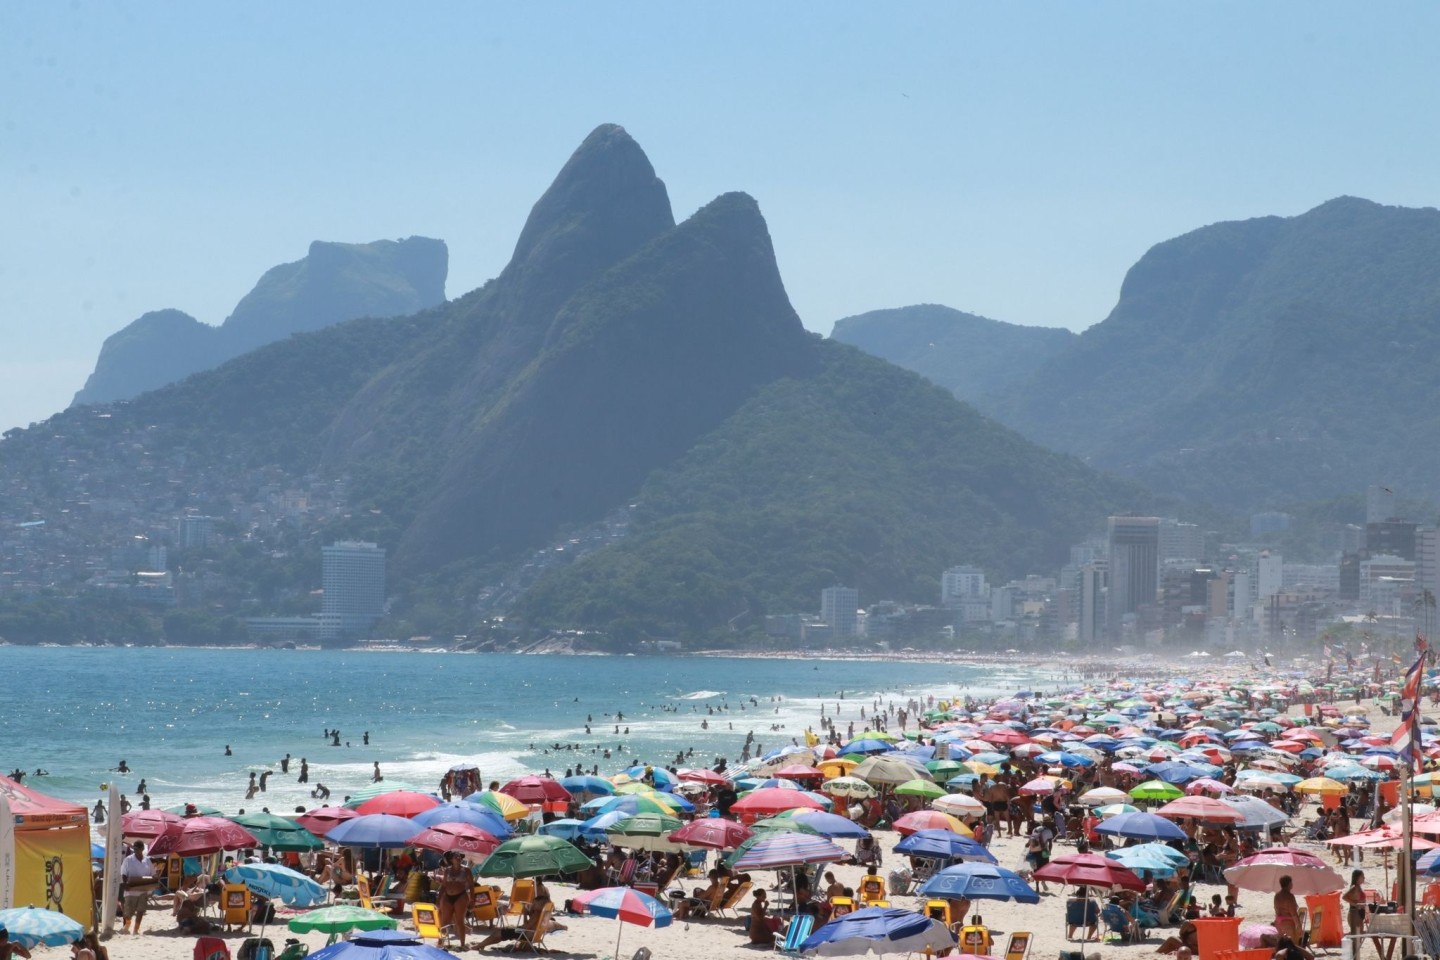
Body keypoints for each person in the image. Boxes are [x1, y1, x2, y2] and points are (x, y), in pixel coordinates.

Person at [432, 851, 472, 948]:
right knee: (444, 921)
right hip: (447, 896)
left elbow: (471, 886)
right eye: (456, 857)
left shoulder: (466, 870)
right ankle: (440, 942)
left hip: (461, 896)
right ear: (451, 860)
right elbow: (444, 885)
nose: (458, 858)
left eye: (459, 856)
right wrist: (438, 898)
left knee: (459, 921)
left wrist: (473, 900)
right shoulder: (447, 871)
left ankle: (462, 944)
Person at [120, 839, 156, 934]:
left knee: (141, 910)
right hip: (131, 890)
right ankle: (127, 925)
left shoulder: (147, 860)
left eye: (138, 849)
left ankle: (136, 929)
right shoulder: (128, 859)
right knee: (128, 912)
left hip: (143, 889)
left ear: (142, 849)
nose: (136, 851)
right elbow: (123, 873)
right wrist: (125, 884)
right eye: (134, 849)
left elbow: (153, 874)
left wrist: (152, 886)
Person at [1274, 875, 1300, 942]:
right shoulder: (1289, 896)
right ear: (1289, 884)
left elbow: (1276, 909)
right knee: (1291, 943)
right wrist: (1298, 925)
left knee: (1281, 943)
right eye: (1291, 883)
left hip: (1278, 920)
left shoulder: (1277, 895)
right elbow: (1293, 913)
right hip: (1288, 920)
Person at [1343, 869, 1367, 936]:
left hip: (1359, 913)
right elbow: (1344, 897)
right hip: (1355, 913)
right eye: (1362, 876)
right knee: (1357, 938)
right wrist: (1356, 904)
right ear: (1357, 877)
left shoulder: (1358, 887)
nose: (1364, 878)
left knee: (1359, 937)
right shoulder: (1354, 887)